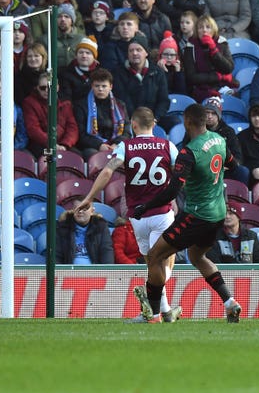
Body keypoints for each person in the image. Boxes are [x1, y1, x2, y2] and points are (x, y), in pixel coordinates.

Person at [131, 103, 242, 323]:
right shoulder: (219, 140)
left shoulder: (189, 152)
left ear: (187, 122)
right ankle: (230, 303)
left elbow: (173, 190)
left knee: (155, 255)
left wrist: (146, 206)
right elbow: (233, 165)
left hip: (197, 215)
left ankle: (152, 315)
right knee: (197, 256)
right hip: (218, 212)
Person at [75, 107, 182, 323]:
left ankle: (160, 314)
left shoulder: (126, 146)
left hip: (137, 217)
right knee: (163, 263)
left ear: (133, 125)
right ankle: (150, 292)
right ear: (154, 124)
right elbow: (179, 176)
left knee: (152, 263)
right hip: (162, 213)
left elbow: (107, 171)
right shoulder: (167, 146)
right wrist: (173, 199)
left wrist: (89, 197)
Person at [111, 33, 171, 129]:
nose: (134, 53)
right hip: (128, 121)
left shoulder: (157, 72)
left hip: (153, 119)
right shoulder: (118, 73)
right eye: (131, 50)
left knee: (175, 122)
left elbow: (163, 101)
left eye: (138, 50)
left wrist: (155, 119)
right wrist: (133, 120)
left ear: (146, 53)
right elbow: (121, 100)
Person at [73, 67, 131, 159]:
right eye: (97, 86)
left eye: (104, 86)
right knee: (94, 156)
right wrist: (99, 145)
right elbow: (81, 134)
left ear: (110, 87)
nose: (100, 89)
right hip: (92, 147)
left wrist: (116, 144)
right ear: (92, 86)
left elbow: (127, 132)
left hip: (116, 145)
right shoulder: (81, 106)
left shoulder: (120, 105)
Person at [182, 13, 237, 102]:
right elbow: (191, 77)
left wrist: (214, 50)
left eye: (208, 27)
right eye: (201, 27)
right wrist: (218, 77)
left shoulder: (222, 42)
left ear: (213, 30)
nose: (204, 30)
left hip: (222, 86)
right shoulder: (190, 46)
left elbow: (228, 68)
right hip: (201, 89)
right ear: (197, 30)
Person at [23, 73, 78, 159]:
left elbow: (72, 128)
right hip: (41, 144)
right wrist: (52, 143)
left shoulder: (66, 104)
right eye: (42, 88)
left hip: (64, 144)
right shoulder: (29, 102)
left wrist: (65, 144)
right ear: (37, 88)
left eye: (50, 87)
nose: (46, 90)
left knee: (76, 157)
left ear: (57, 88)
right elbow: (33, 129)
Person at [55, 199, 114, 265]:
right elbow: (56, 256)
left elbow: (106, 252)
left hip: (96, 273)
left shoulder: (101, 227)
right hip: (69, 273)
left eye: (85, 209)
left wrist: (106, 273)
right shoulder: (62, 228)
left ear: (92, 211)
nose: (80, 211)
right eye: (77, 208)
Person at [58, 35, 100, 102]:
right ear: (76, 55)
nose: (84, 56)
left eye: (88, 53)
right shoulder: (66, 74)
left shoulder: (101, 74)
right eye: (81, 52)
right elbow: (66, 98)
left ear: (94, 57)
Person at [238, 101, 259, 185]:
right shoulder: (242, 137)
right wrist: (254, 168)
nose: (257, 118)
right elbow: (240, 160)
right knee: (258, 173)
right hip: (252, 172)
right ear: (249, 118)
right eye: (254, 116)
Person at [55, 3, 85, 69]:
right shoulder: (47, 39)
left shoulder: (82, 39)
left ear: (72, 20)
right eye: (59, 16)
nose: (62, 19)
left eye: (66, 16)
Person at [156, 31, 186, 95]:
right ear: (161, 55)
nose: (169, 57)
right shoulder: (155, 70)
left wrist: (178, 72)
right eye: (166, 54)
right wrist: (164, 71)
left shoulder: (180, 68)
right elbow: (163, 91)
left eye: (172, 55)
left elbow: (181, 92)